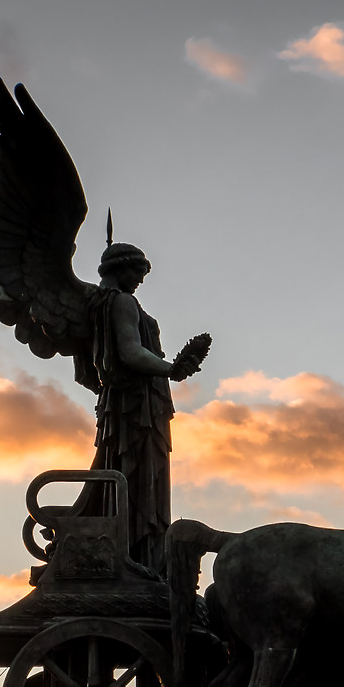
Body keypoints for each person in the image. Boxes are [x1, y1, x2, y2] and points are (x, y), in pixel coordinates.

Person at [85, 241, 207, 573]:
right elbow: (129, 351)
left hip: (136, 403)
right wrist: (171, 369)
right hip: (136, 407)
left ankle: (135, 553)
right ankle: (139, 557)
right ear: (120, 268)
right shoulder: (121, 301)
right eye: (137, 272)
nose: (140, 279)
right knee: (141, 476)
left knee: (136, 474)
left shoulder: (103, 303)